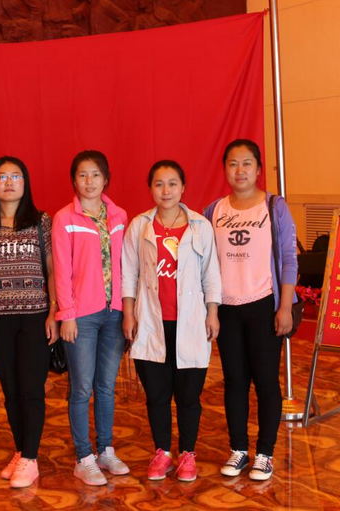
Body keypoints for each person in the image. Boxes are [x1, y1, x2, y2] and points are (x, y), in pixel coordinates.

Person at [204, 139, 298, 481]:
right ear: (225, 169)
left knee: (266, 381)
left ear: (258, 169)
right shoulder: (213, 211)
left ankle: (265, 453)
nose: (240, 170)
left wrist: (285, 306)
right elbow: (205, 262)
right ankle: (239, 449)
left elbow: (288, 259)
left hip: (264, 306)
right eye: (233, 163)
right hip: (227, 309)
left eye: (246, 163)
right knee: (234, 381)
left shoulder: (274, 207)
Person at [122, 160, 221, 482]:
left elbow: (211, 274)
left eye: (172, 183)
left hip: (190, 323)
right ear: (150, 188)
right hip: (152, 323)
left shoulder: (200, 226)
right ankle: (162, 452)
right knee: (157, 395)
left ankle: (187, 454)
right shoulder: (139, 226)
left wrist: (212, 312)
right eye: (159, 184)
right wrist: (128, 312)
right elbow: (129, 273)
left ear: (183, 187)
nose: (166, 190)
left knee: (189, 396)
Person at [0, 156, 59, 488]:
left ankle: (30, 458)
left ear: (25, 182)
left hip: (35, 316)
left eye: (16, 176)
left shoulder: (40, 222)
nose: (8, 182)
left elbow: (52, 269)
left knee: (31, 388)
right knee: (10, 391)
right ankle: (21, 451)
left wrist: (53, 311)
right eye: (2, 176)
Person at [52, 150, 129, 486]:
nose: (89, 181)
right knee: (81, 388)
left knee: (106, 386)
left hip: (114, 313)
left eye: (95, 174)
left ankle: (105, 450)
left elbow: (126, 265)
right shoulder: (64, 218)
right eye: (82, 175)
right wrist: (66, 315)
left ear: (105, 179)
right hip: (81, 316)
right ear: (74, 180)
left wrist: (127, 309)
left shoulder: (120, 216)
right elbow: (62, 269)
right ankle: (83, 457)